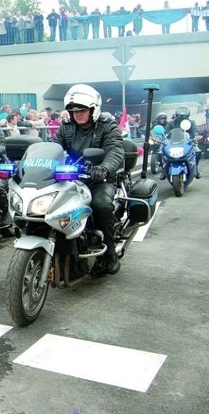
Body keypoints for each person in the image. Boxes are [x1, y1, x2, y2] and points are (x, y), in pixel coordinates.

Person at [53, 84, 124, 276]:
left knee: (100, 205)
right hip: (73, 177)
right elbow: (52, 148)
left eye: (82, 110)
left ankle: (109, 253)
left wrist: (104, 168)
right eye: (74, 110)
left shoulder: (107, 126)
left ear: (93, 109)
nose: (78, 114)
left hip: (100, 179)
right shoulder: (66, 128)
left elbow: (116, 150)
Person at [163, 106, 201, 179]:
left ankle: (195, 169)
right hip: (172, 143)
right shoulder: (171, 123)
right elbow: (166, 133)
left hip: (187, 143)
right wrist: (163, 139)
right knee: (160, 153)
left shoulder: (192, 123)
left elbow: (195, 131)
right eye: (180, 116)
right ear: (176, 116)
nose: (182, 118)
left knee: (198, 152)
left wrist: (196, 137)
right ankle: (164, 171)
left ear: (188, 116)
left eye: (184, 117)